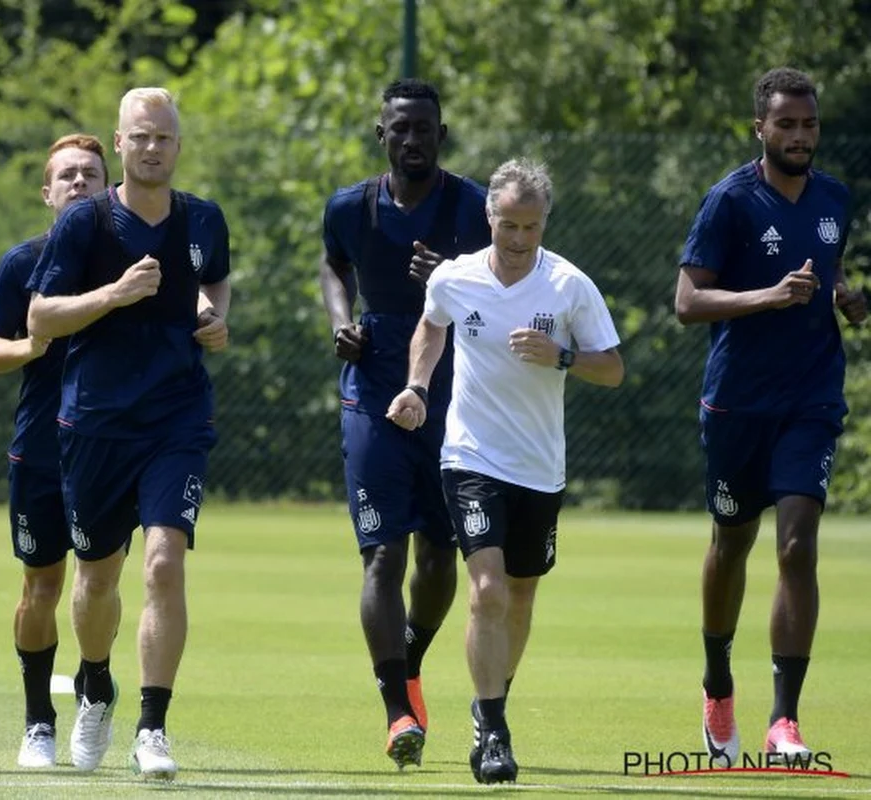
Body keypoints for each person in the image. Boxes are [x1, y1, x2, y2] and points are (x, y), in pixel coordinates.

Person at [387, 158, 624, 783]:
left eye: (531, 226)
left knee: (519, 595)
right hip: (470, 456)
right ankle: (493, 730)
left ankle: (487, 699)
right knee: (487, 588)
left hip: (539, 467)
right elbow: (431, 328)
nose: (519, 240)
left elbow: (614, 368)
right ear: (488, 218)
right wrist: (416, 386)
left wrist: (562, 355)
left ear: (545, 222)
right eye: (507, 225)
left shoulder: (569, 286)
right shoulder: (456, 278)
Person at [26, 87, 230, 781]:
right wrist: (113, 294)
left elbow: (216, 284)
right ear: (119, 144)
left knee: (165, 561)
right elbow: (41, 318)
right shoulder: (85, 225)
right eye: (140, 137)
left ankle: (153, 725)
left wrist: (213, 316)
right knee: (95, 581)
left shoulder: (204, 220)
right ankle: (95, 682)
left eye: (163, 137)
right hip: (95, 424)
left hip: (177, 419)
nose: (152, 147)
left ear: (178, 144)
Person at [675, 67, 867, 763]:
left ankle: (784, 719)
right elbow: (688, 302)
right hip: (736, 404)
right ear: (760, 127)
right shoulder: (729, 201)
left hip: (811, 398)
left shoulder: (836, 199)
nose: (799, 136)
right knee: (731, 545)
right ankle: (718, 684)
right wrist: (767, 297)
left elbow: (823, 268)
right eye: (785, 124)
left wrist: (844, 296)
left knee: (796, 544)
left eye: (809, 124)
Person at [319, 77, 491, 769]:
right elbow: (334, 267)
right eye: (401, 127)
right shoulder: (349, 207)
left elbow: (508, 285)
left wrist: (454, 278)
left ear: (441, 135)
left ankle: (410, 657)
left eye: (425, 127)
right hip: (373, 383)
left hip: (456, 390)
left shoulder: (475, 207)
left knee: (438, 553)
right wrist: (341, 322)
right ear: (380, 133)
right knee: (382, 552)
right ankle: (397, 709)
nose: (413, 138)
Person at [0, 133, 109, 767]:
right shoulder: (20, 263)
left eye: (90, 173)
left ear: (109, 185)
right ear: (47, 192)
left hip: (110, 448)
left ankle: (94, 683)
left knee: (97, 578)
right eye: (67, 176)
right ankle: (37, 721)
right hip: (40, 449)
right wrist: (33, 344)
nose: (79, 183)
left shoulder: (131, 263)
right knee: (41, 585)